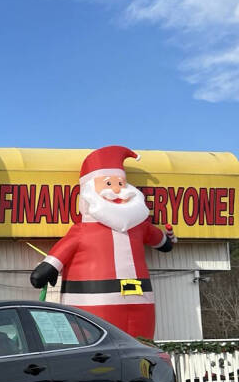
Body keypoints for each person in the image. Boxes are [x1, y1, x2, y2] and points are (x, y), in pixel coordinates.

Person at [30, 145, 173, 339]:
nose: (116, 189)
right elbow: (63, 250)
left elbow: (161, 242)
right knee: (97, 348)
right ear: (88, 191)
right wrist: (48, 267)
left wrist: (168, 240)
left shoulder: (139, 226)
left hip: (141, 303)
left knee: (141, 347)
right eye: (108, 183)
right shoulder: (83, 230)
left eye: (121, 184)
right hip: (93, 303)